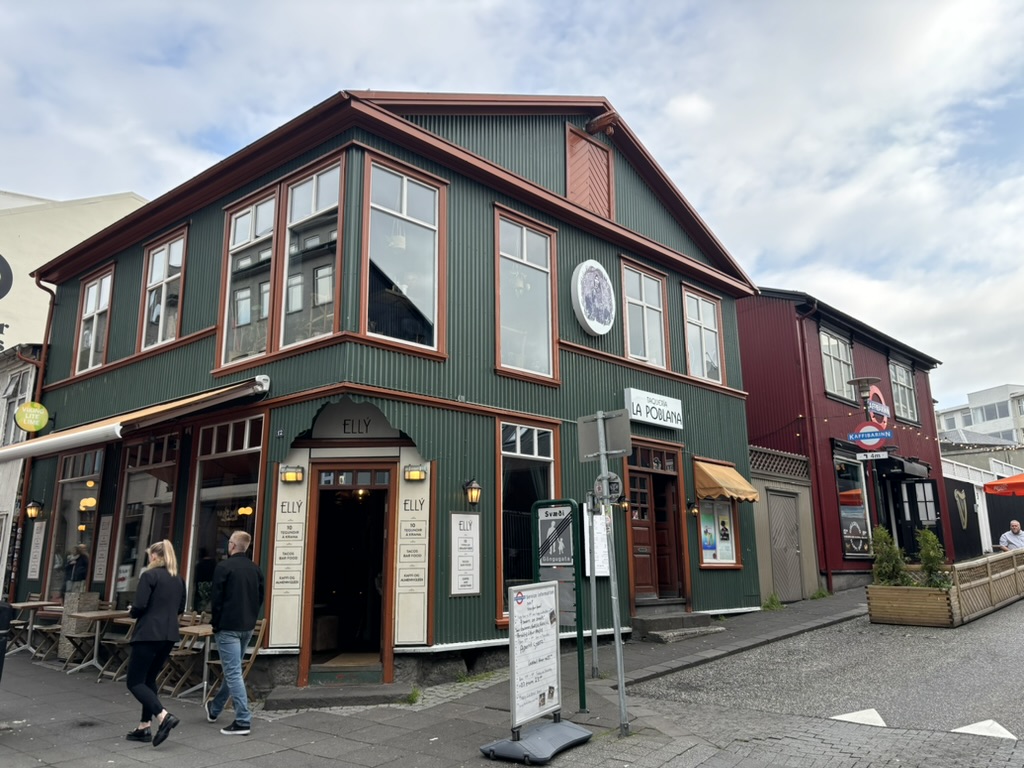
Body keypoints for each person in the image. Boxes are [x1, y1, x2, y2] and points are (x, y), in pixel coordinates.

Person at [125, 539, 185, 747]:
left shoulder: (149, 576)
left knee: (134, 681)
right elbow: (180, 609)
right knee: (149, 680)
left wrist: (132, 610)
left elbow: (140, 605)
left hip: (148, 634)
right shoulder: (179, 579)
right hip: (168, 636)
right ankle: (144, 726)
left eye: (150, 555)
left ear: (154, 556)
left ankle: (163, 715)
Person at [206, 530, 265, 736]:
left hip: (228, 627)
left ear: (232, 545)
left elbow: (217, 600)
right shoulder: (255, 569)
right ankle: (214, 708)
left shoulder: (223, 567)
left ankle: (242, 720)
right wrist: (250, 616)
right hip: (247, 627)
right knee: (234, 672)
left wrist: (216, 624)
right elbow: (260, 597)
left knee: (232, 673)